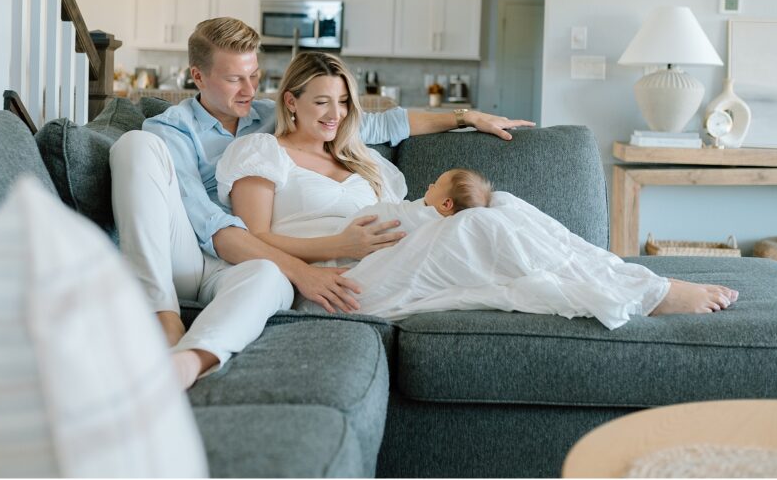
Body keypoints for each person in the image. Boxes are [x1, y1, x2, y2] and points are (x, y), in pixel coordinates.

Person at [109, 18, 534, 389]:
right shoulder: (173, 129)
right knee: (134, 145)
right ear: (197, 77)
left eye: (254, 75)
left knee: (265, 277)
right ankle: (163, 315)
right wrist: (307, 269)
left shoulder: (268, 114)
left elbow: (377, 122)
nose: (250, 89)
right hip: (192, 251)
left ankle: (189, 363)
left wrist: (465, 117)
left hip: (247, 263)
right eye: (234, 79)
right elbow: (210, 225)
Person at [218, 51, 739, 330]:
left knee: (500, 203)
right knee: (482, 226)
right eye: (321, 104)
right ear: (290, 102)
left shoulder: (354, 150)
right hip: (334, 281)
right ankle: (649, 295)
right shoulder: (261, 154)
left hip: (386, 253)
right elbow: (250, 240)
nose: (335, 116)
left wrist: (469, 120)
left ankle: (630, 280)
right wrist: (335, 249)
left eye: (344, 104)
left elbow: (398, 129)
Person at [343, 168, 493, 236]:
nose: (430, 185)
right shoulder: (426, 207)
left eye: (436, 184)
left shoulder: (430, 223)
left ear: (446, 204)